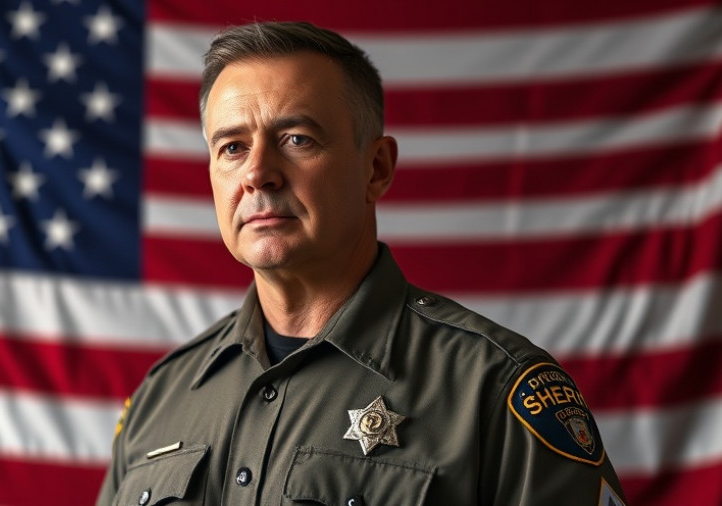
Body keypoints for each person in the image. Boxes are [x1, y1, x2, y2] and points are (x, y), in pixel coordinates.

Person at [96, 21, 628, 506]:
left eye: (296, 139)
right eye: (232, 148)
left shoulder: (496, 391)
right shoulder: (159, 399)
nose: (257, 173)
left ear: (376, 169)